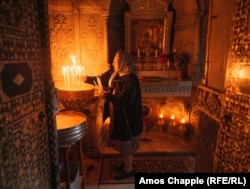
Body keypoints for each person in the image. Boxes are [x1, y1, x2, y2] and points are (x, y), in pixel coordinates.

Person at [83, 50, 143, 179]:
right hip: (118, 116)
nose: (112, 63)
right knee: (122, 140)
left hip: (128, 118)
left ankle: (128, 169)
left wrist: (107, 96)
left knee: (126, 141)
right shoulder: (115, 74)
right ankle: (127, 163)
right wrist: (86, 78)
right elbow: (101, 78)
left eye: (115, 61)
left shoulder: (131, 79)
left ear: (122, 62)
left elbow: (126, 100)